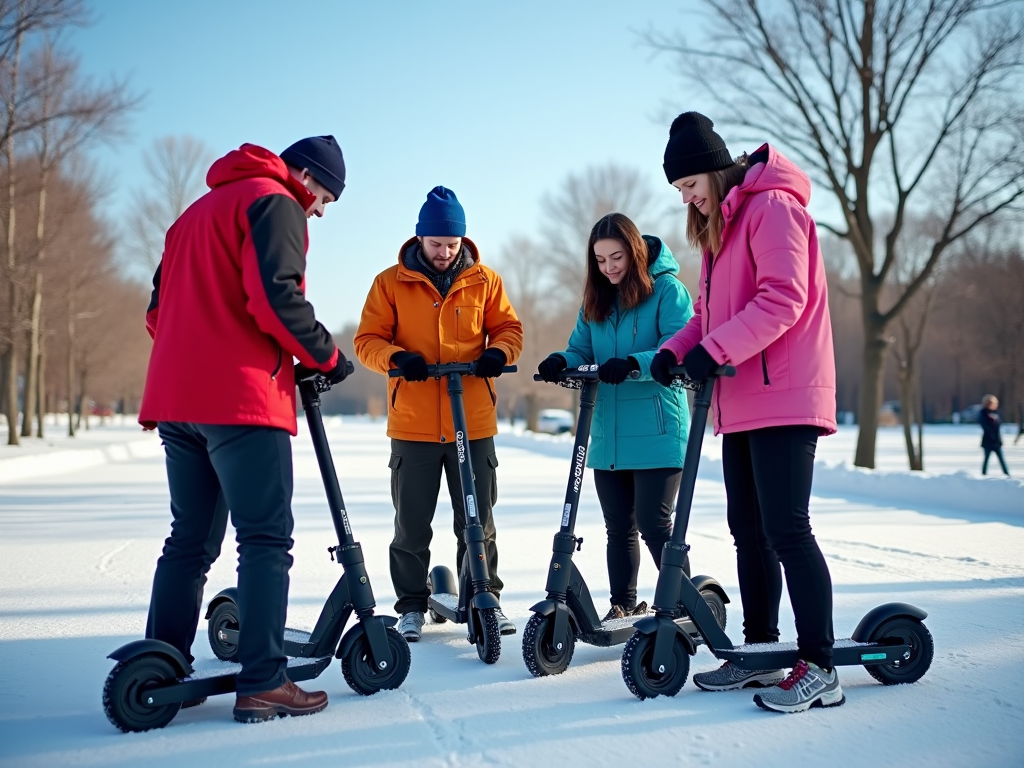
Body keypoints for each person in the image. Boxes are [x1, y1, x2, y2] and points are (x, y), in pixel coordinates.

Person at [139, 136, 349, 723]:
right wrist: (328, 357)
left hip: (178, 400)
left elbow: (157, 312)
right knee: (264, 539)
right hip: (240, 401)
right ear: (302, 174)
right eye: (323, 194)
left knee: (188, 542)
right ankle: (263, 680)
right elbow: (275, 299)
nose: (320, 209)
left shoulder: (191, 216)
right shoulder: (274, 202)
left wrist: (194, 353)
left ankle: (162, 666)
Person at [651, 112, 841, 714]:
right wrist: (674, 351)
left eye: (689, 185)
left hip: (784, 395)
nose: (687, 198)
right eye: (680, 192)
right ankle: (760, 653)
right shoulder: (722, 229)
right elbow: (706, 316)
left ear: (713, 167)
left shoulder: (772, 208)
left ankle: (821, 667)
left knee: (788, 530)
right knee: (749, 533)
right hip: (741, 400)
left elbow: (784, 298)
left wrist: (715, 351)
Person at [354, 186, 523, 642]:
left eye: (452, 244)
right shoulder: (390, 282)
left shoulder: (484, 280)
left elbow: (509, 328)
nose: (445, 252)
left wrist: (498, 352)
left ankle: (485, 596)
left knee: (477, 518)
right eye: (436, 244)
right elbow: (366, 340)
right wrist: (397, 358)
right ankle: (410, 605)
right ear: (419, 239)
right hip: (413, 423)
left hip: (473, 419)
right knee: (411, 523)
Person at [537, 213, 694, 620]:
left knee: (655, 524)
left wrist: (633, 363)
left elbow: (677, 344)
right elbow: (581, 349)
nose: (609, 267)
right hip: (609, 433)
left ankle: (684, 605)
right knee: (618, 527)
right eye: (601, 259)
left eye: (617, 257)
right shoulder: (596, 299)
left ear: (636, 251)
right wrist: (561, 360)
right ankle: (623, 604)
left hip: (657, 429)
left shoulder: (667, 291)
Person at [980, 395, 1010, 476]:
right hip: (988, 441)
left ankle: (1007, 474)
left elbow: (998, 428)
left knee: (1001, 459)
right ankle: (983, 474)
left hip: (997, 441)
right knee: (986, 459)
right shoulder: (983, 413)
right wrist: (991, 437)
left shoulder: (997, 413)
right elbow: (985, 426)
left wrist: (999, 440)